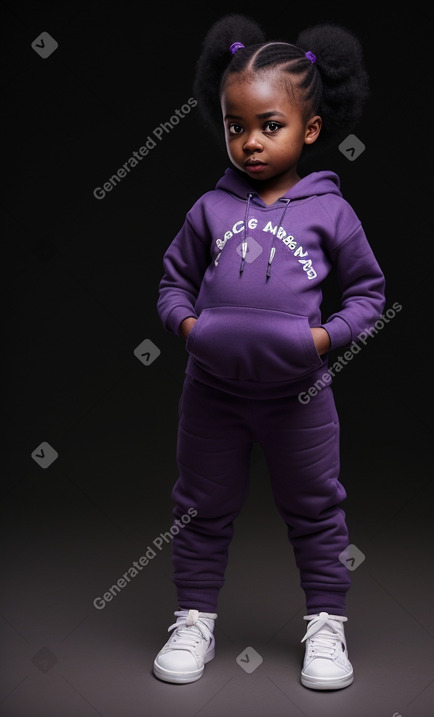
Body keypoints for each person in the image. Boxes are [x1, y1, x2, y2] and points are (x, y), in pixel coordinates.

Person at [153, 13, 385, 691]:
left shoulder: (330, 212)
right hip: (212, 393)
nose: (249, 143)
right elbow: (172, 282)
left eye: (269, 126)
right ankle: (193, 618)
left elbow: (369, 295)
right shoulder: (209, 209)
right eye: (235, 126)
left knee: (316, 507)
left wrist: (322, 340)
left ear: (309, 130)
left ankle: (327, 623)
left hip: (299, 396)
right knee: (199, 504)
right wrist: (191, 329)